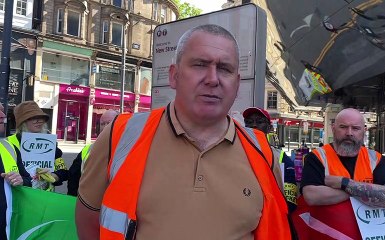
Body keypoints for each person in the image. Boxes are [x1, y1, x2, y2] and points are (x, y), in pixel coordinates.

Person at [76, 24, 292, 240]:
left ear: (236, 84)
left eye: (225, 68)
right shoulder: (120, 135)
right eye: (200, 64)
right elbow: (89, 224)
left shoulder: (262, 152)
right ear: (174, 76)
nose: (213, 79)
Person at [292, 108, 385, 240]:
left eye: (355, 128)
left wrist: (344, 183)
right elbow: (311, 196)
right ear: (333, 128)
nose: (349, 133)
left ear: (364, 131)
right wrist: (365, 191)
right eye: (343, 127)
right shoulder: (318, 156)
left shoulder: (375, 159)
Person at [243, 107, 298, 213]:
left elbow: (290, 202)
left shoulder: (281, 157)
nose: (254, 125)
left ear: (269, 128)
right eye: (249, 122)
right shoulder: (236, 152)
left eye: (259, 121)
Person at [7, 101, 68, 191]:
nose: (39, 121)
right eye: (33, 118)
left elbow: (64, 172)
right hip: (19, 198)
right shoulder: (8, 143)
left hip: (45, 199)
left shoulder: (49, 143)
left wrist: (52, 176)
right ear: (22, 122)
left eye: (41, 118)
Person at [67, 109, 118, 196]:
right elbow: (73, 178)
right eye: (102, 124)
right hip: (88, 203)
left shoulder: (127, 149)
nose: (105, 127)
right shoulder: (88, 149)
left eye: (109, 123)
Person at [0, 103, 32, 239]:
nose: (2, 116)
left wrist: (21, 180)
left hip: (7, 226)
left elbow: (28, 180)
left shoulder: (8, 147)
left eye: (2, 111)